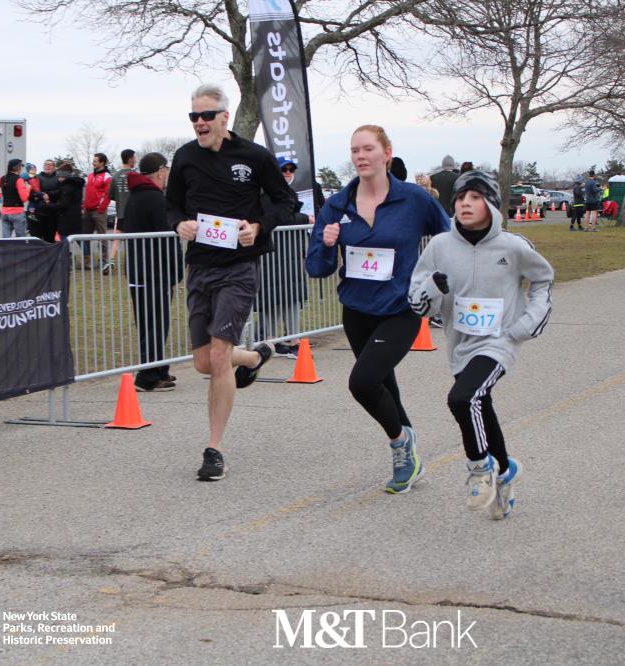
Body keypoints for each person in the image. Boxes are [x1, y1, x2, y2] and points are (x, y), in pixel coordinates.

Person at [306, 125, 450, 494]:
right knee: (383, 384)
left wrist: (439, 278)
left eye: (368, 148)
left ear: (386, 153)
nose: (360, 156)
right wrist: (326, 245)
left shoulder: (413, 199)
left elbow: (448, 236)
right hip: (357, 310)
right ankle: (409, 454)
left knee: (363, 381)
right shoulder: (338, 205)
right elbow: (316, 268)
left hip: (401, 307)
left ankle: (400, 443)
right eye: (355, 150)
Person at [167, 83, 297, 481]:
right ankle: (253, 358)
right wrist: (179, 223)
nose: (199, 123)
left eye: (207, 115)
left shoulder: (254, 157)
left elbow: (286, 201)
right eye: (194, 116)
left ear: (225, 117)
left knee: (220, 356)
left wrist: (258, 227)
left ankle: (214, 449)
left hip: (239, 268)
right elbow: (171, 204)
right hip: (200, 268)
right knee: (203, 362)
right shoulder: (185, 157)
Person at [409, 170, 553, 519]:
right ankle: (506, 471)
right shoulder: (440, 246)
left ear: (492, 204)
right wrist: (432, 288)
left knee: (462, 398)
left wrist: (526, 324)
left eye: (475, 197)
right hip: (459, 344)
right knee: (480, 406)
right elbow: (417, 303)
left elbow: (543, 280)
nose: (465, 204)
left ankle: (480, 468)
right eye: (460, 198)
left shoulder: (513, 246)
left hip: (500, 341)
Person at [123, 152, 183, 391]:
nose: (167, 174)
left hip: (139, 270)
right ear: (160, 171)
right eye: (166, 170)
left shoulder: (135, 197)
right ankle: (148, 376)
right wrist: (177, 269)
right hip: (154, 272)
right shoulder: (156, 199)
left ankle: (159, 369)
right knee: (156, 323)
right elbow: (168, 238)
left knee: (148, 322)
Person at [260, 158, 310, 358]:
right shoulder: (266, 193)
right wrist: (305, 219)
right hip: (273, 254)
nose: (288, 172)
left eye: (291, 169)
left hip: (289, 253)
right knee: (272, 299)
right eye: (284, 169)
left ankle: (291, 340)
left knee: (291, 298)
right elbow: (276, 218)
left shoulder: (288, 192)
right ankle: (273, 342)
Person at [106, 149, 137, 274]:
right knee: (133, 240)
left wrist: (120, 199)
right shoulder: (135, 176)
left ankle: (111, 261)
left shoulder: (115, 176)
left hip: (120, 213)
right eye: (134, 158)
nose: (135, 160)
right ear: (130, 159)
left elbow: (110, 195)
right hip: (133, 214)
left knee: (116, 239)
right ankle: (131, 264)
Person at [81, 153, 112, 269]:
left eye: (95, 161)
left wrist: (101, 208)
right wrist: (84, 206)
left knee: (102, 237)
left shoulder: (107, 176)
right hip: (87, 210)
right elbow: (87, 192)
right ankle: (87, 261)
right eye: (93, 161)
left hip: (99, 211)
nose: (93, 163)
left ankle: (104, 261)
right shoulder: (90, 176)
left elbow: (108, 194)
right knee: (85, 237)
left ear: (102, 163)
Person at [0, 159, 31, 238]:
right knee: (21, 239)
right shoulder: (19, 179)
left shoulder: (2, 179)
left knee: (5, 239)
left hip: (5, 213)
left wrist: (0, 196)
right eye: (21, 166)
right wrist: (28, 188)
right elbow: (24, 198)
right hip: (17, 213)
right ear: (18, 167)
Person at [51, 161, 85, 245]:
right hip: (76, 217)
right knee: (80, 240)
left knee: (64, 243)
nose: (58, 179)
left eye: (59, 176)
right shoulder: (76, 185)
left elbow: (63, 204)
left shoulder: (67, 187)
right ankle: (87, 253)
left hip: (66, 219)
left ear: (64, 175)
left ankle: (65, 253)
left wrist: (48, 206)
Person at [29, 159, 61, 242]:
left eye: (50, 165)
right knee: (38, 238)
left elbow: (60, 191)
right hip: (39, 212)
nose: (47, 166)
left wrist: (49, 194)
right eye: (46, 164)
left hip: (53, 212)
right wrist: (39, 195)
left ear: (54, 167)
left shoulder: (58, 177)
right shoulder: (37, 177)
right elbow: (31, 193)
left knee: (50, 237)